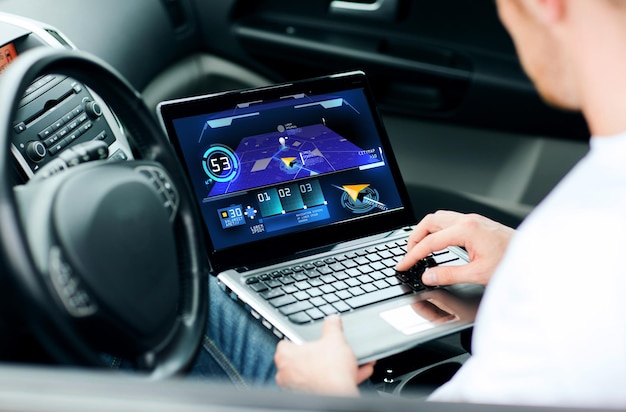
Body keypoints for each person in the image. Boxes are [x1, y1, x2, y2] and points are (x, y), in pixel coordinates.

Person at [273, 0, 626, 408]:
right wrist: (520, 255)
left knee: (214, 303)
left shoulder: (566, 291)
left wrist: (329, 395)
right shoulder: (588, 225)